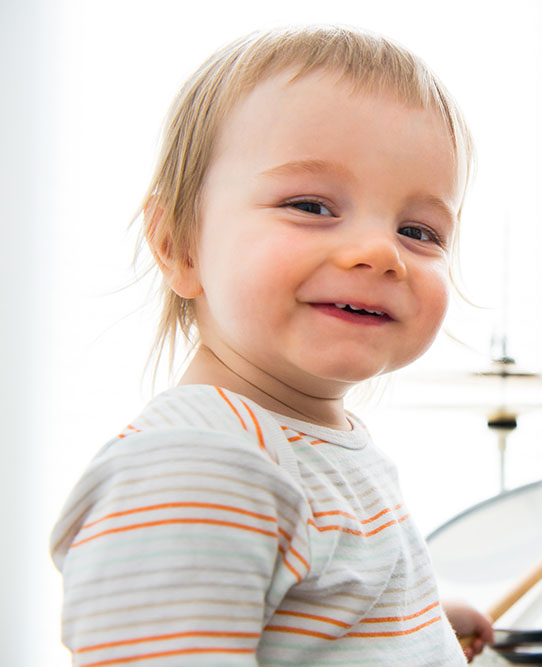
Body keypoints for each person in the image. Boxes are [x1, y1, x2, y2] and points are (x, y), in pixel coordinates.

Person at [49, 24, 494, 666]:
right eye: (311, 206)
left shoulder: (297, 442)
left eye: (418, 229)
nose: (380, 252)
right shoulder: (199, 462)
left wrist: (417, 618)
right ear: (180, 244)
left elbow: (311, 596)